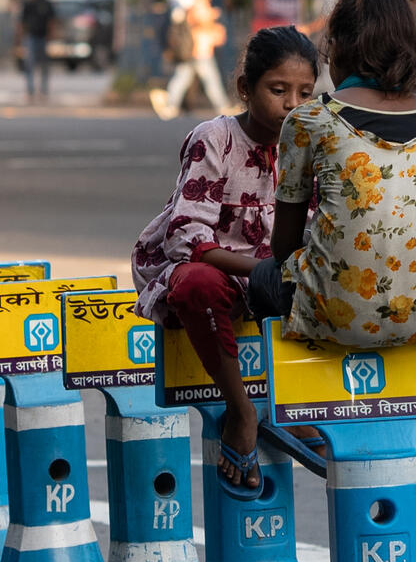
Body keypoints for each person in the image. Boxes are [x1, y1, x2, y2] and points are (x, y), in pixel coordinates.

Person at [249, 0, 416, 464]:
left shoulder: (310, 120)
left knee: (262, 276)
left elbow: (283, 245)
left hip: (332, 317)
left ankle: (270, 412)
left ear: (341, 49)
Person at [132, 27, 319, 492]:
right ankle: (241, 410)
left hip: (272, 280)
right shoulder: (214, 138)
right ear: (245, 89)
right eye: (278, 91)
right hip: (213, 272)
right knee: (196, 283)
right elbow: (186, 237)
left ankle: (295, 405)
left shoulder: (312, 145)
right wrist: (260, 270)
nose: (291, 104)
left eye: (305, 93)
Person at [152, 0, 229, 120]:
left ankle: (170, 106)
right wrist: (212, 18)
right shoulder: (196, 5)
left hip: (195, 51)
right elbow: (199, 23)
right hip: (200, 50)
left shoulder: (191, 5)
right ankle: (222, 106)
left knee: (183, 78)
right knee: (210, 79)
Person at [17, 0, 56, 100]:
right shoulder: (28, 3)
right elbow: (22, 23)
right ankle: (30, 90)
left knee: (44, 65)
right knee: (29, 64)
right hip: (30, 38)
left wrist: (51, 35)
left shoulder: (45, 3)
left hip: (43, 37)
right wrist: (19, 39)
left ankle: (43, 91)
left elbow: (52, 21)